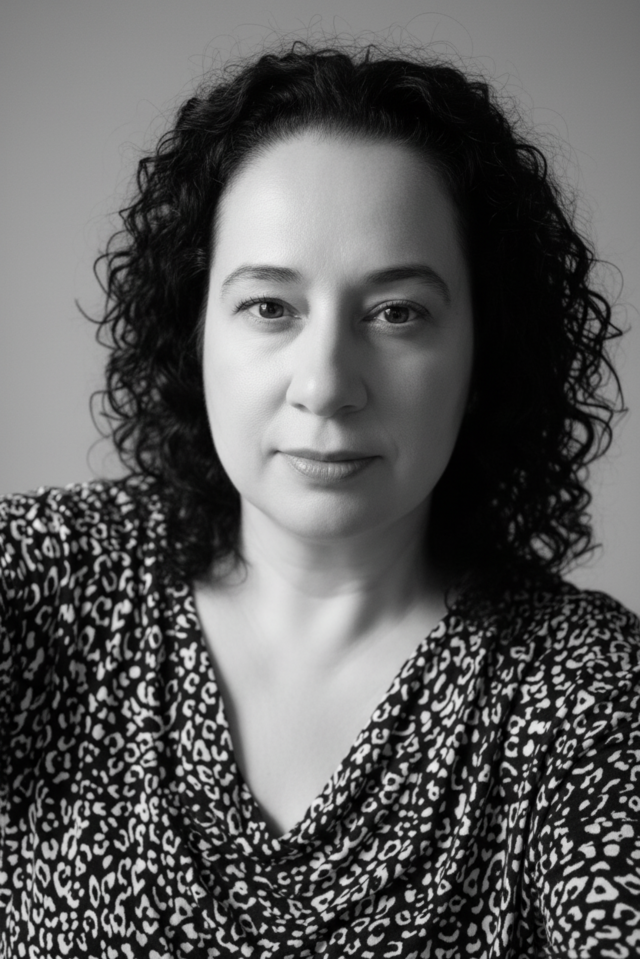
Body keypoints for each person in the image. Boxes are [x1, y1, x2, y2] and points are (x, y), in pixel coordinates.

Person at [1, 37, 639, 959]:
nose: (327, 384)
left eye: (397, 313)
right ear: (195, 329)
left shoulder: (586, 690)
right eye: (271, 307)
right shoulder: (46, 576)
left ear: (484, 348)